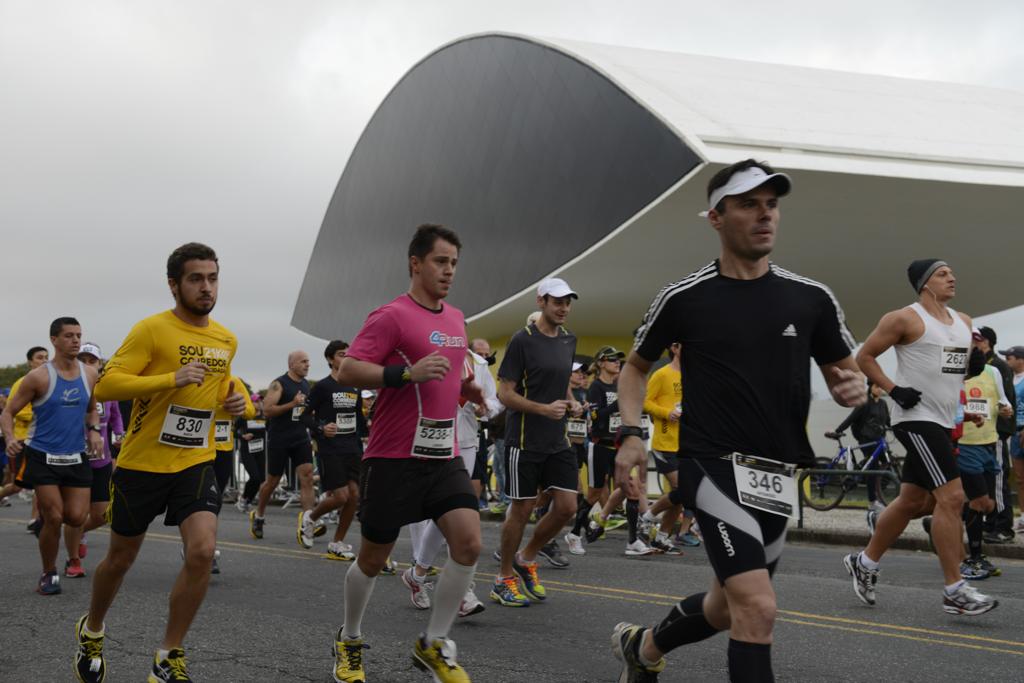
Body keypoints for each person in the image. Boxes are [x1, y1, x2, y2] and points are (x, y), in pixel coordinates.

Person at [611, 159, 865, 682]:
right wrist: (632, 434)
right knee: (758, 607)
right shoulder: (684, 296)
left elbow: (847, 372)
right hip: (711, 463)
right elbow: (635, 368)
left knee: (728, 606)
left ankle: (644, 646)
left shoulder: (811, 297)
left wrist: (852, 388)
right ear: (716, 217)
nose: (765, 214)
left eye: (771, 205)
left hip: (777, 471)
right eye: (749, 204)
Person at [71, 242, 245, 683]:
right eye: (196, 278)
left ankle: (168, 655)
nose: (206, 287)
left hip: (196, 460)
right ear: (174, 285)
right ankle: (92, 629)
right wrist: (171, 378)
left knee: (202, 551)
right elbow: (107, 386)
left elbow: (221, 390)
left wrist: (235, 403)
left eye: (213, 278)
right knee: (120, 560)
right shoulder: (151, 330)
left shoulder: (226, 339)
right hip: (142, 464)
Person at [331, 224, 481, 682]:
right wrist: (404, 375)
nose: (449, 271)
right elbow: (347, 371)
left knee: (469, 544)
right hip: (392, 458)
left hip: (443, 455)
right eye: (440, 261)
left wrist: (470, 391)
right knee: (373, 560)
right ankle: (349, 639)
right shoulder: (390, 316)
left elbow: (447, 378)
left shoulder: (456, 319)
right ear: (416, 263)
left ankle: (433, 644)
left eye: (454, 263)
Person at [843, 259, 998, 617]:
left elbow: (955, 368)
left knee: (912, 501)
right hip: (915, 418)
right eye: (943, 274)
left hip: (943, 421)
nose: (952, 277)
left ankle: (864, 562)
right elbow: (865, 357)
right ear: (925, 283)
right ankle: (954, 590)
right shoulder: (904, 318)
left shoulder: (964, 321)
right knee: (952, 497)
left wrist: (972, 367)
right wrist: (894, 390)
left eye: (952, 272)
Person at [491, 277, 583, 608]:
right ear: (541, 302)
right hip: (524, 440)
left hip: (557, 439)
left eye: (567, 302)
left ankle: (527, 556)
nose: (564, 308)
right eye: (557, 302)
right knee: (522, 508)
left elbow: (561, 379)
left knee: (568, 507)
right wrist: (543, 409)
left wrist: (571, 400)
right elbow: (505, 394)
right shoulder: (522, 340)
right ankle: (503, 578)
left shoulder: (569, 339)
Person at [1, 318, 103, 595]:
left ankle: (48, 528)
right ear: (54, 339)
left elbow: (92, 409)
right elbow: (8, 412)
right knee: (55, 517)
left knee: (76, 517)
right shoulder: (39, 377)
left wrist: (94, 431)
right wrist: (10, 438)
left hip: (76, 455)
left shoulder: (90, 374)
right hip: (42, 454)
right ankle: (49, 572)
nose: (75, 340)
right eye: (69, 335)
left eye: (78, 335)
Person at [63, 342, 124, 579]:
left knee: (102, 514)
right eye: (83, 360)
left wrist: (119, 434)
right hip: (75, 458)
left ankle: (79, 534)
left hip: (101, 459)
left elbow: (116, 416)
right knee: (76, 514)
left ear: (100, 365)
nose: (87, 364)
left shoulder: (107, 389)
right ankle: (73, 560)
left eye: (92, 361)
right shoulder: (68, 387)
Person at [303, 340, 366, 560]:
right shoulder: (323, 386)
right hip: (330, 449)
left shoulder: (355, 386)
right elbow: (303, 416)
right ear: (330, 359)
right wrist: (321, 428)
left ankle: (337, 543)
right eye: (341, 354)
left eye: (349, 354)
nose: (346, 358)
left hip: (352, 448)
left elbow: (358, 419)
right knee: (340, 496)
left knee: (354, 496)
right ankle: (311, 517)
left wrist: (369, 432)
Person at [957, 339, 1013, 578]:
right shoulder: (953, 372)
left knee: (986, 502)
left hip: (990, 443)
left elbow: (1004, 402)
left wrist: (1006, 409)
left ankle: (940, 521)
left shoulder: (992, 371)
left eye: (977, 340)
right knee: (978, 502)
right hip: (964, 445)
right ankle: (975, 556)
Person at [250, 350, 318, 546]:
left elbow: (304, 411)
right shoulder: (278, 384)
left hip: (300, 437)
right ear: (292, 364)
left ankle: (308, 522)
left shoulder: (305, 385)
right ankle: (259, 515)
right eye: (303, 361)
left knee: (306, 476)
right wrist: (292, 403)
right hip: (280, 439)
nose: (307, 365)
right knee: (272, 481)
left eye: (308, 361)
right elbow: (267, 410)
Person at [639, 341, 695, 555]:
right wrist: (666, 412)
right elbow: (645, 402)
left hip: (687, 443)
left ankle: (662, 537)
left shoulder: (692, 374)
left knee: (682, 494)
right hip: (665, 442)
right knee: (683, 489)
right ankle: (647, 517)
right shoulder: (662, 374)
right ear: (675, 348)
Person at [0, 346, 50, 529]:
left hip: (43, 441)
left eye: (46, 357)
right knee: (16, 486)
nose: (44, 360)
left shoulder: (51, 382)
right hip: (22, 440)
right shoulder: (22, 382)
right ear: (30, 362)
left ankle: (35, 519)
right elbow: (14, 410)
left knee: (43, 482)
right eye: (39, 357)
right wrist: (41, 415)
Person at [826, 380, 891, 519]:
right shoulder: (864, 403)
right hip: (866, 439)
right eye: (877, 386)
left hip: (879, 439)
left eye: (880, 387)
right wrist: (838, 430)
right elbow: (851, 418)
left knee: (887, 463)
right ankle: (872, 501)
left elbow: (888, 421)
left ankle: (875, 486)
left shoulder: (883, 404)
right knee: (873, 468)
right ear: (870, 387)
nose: (879, 389)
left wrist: (898, 428)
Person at [210, 375, 255, 573]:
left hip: (222, 449)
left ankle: (205, 547)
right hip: (194, 448)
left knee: (214, 501)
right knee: (200, 501)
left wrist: (238, 406)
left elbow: (250, 411)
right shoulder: (195, 377)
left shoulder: (232, 381)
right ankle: (201, 546)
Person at [976, 326, 1017, 542]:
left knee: (999, 476)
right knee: (987, 477)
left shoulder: (998, 366)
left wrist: (1003, 428)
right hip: (980, 431)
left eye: (977, 339)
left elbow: (1006, 400)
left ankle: (1004, 526)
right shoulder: (978, 365)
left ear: (986, 342)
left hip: (997, 431)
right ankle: (991, 521)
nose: (972, 343)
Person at [999, 345, 1024, 532]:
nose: (1006, 361)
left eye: (1009, 358)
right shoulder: (1007, 379)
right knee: (1020, 478)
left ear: (1021, 360)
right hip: (1014, 432)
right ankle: (1023, 516)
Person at [234, 394, 266, 512]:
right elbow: (233, 430)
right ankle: (243, 499)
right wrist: (242, 436)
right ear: (251, 403)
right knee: (255, 477)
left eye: (260, 401)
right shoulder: (245, 417)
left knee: (261, 479)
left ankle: (248, 501)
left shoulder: (265, 417)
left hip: (261, 451)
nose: (259, 403)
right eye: (256, 401)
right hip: (247, 451)